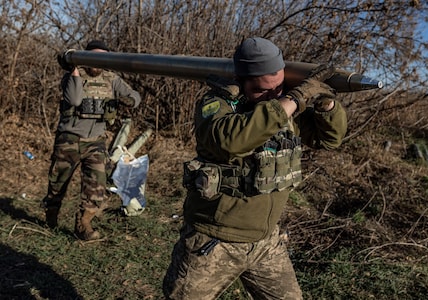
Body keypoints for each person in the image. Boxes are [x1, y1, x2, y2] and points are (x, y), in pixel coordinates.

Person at [162, 37, 348, 299]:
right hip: (215, 241)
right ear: (241, 80)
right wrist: (294, 98)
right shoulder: (217, 103)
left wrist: (326, 104)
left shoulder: (285, 102)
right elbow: (230, 141)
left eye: (278, 88)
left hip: (266, 242)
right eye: (262, 90)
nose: (273, 96)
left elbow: (328, 140)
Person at [42, 40, 141, 240]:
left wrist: (129, 100)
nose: (97, 63)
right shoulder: (71, 77)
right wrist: (75, 70)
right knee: (57, 183)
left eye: (102, 58)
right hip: (69, 139)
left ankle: (84, 223)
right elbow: (75, 100)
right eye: (93, 57)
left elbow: (135, 96)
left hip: (95, 140)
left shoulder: (112, 79)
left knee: (96, 184)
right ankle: (51, 214)